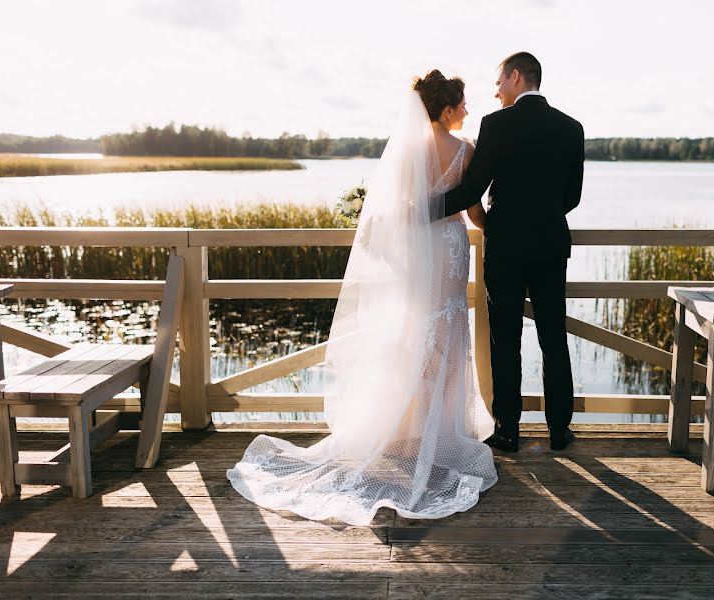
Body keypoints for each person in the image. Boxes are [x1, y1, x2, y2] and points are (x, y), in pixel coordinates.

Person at [226, 70, 497, 526]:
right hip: (449, 250)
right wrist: (498, 230)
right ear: (447, 109)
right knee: (448, 331)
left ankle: (405, 431)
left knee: (414, 330)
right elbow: (474, 214)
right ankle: (440, 433)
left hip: (417, 254)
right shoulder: (465, 149)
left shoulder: (405, 150)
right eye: (463, 104)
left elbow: (393, 212)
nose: (467, 111)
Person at [443, 52, 585, 453]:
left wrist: (422, 209)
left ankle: (508, 431)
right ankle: (560, 430)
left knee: (505, 339)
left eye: (500, 81)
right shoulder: (571, 128)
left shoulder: (496, 124)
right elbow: (571, 197)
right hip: (551, 246)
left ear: (516, 76)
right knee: (553, 337)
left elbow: (471, 192)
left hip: (504, 247)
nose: (496, 90)